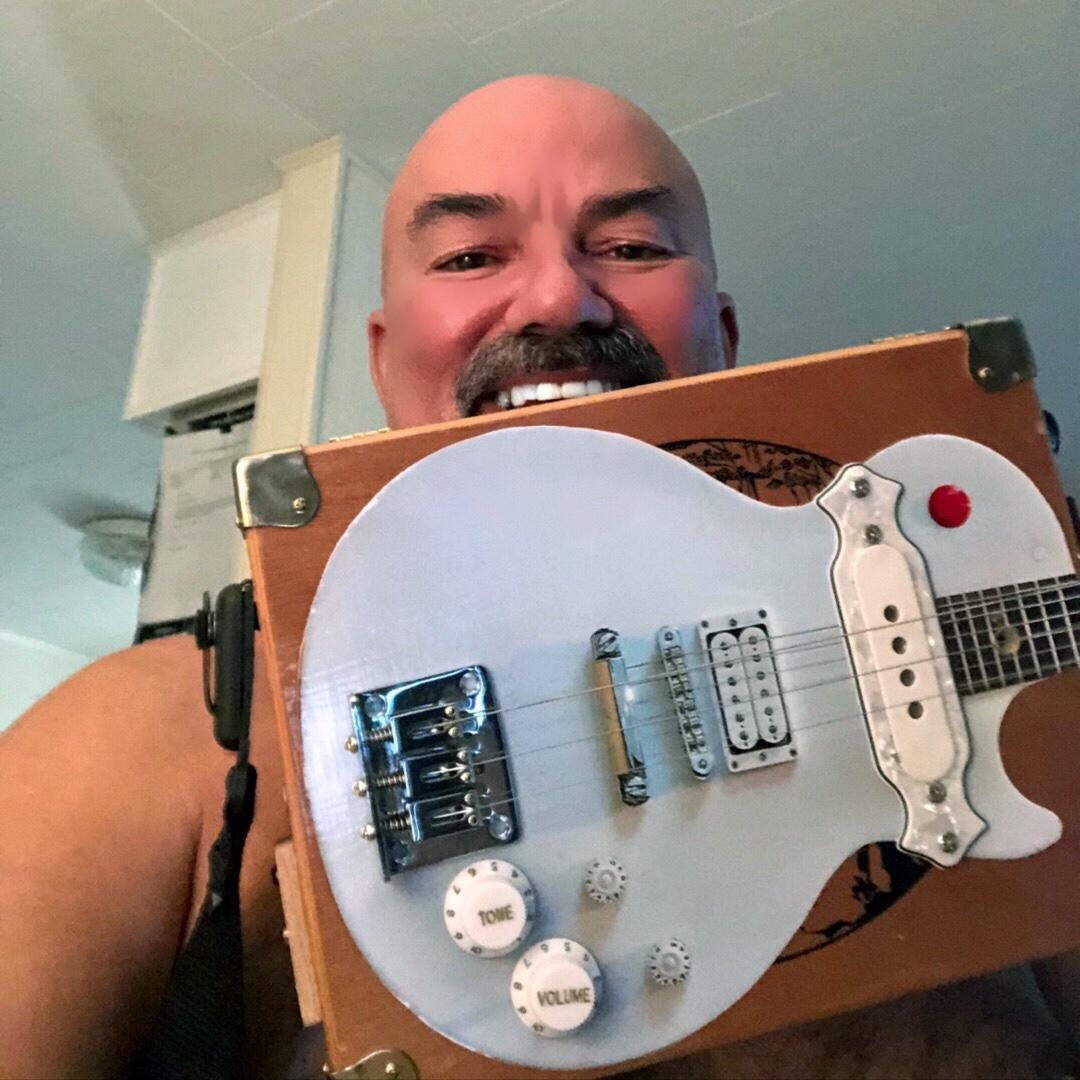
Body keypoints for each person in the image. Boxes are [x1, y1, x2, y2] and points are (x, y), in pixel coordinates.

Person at [1, 75, 1075, 1080]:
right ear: (384, 362)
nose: (561, 296)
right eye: (471, 257)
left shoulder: (1010, 722)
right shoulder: (151, 742)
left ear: (724, 341)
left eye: (633, 245)